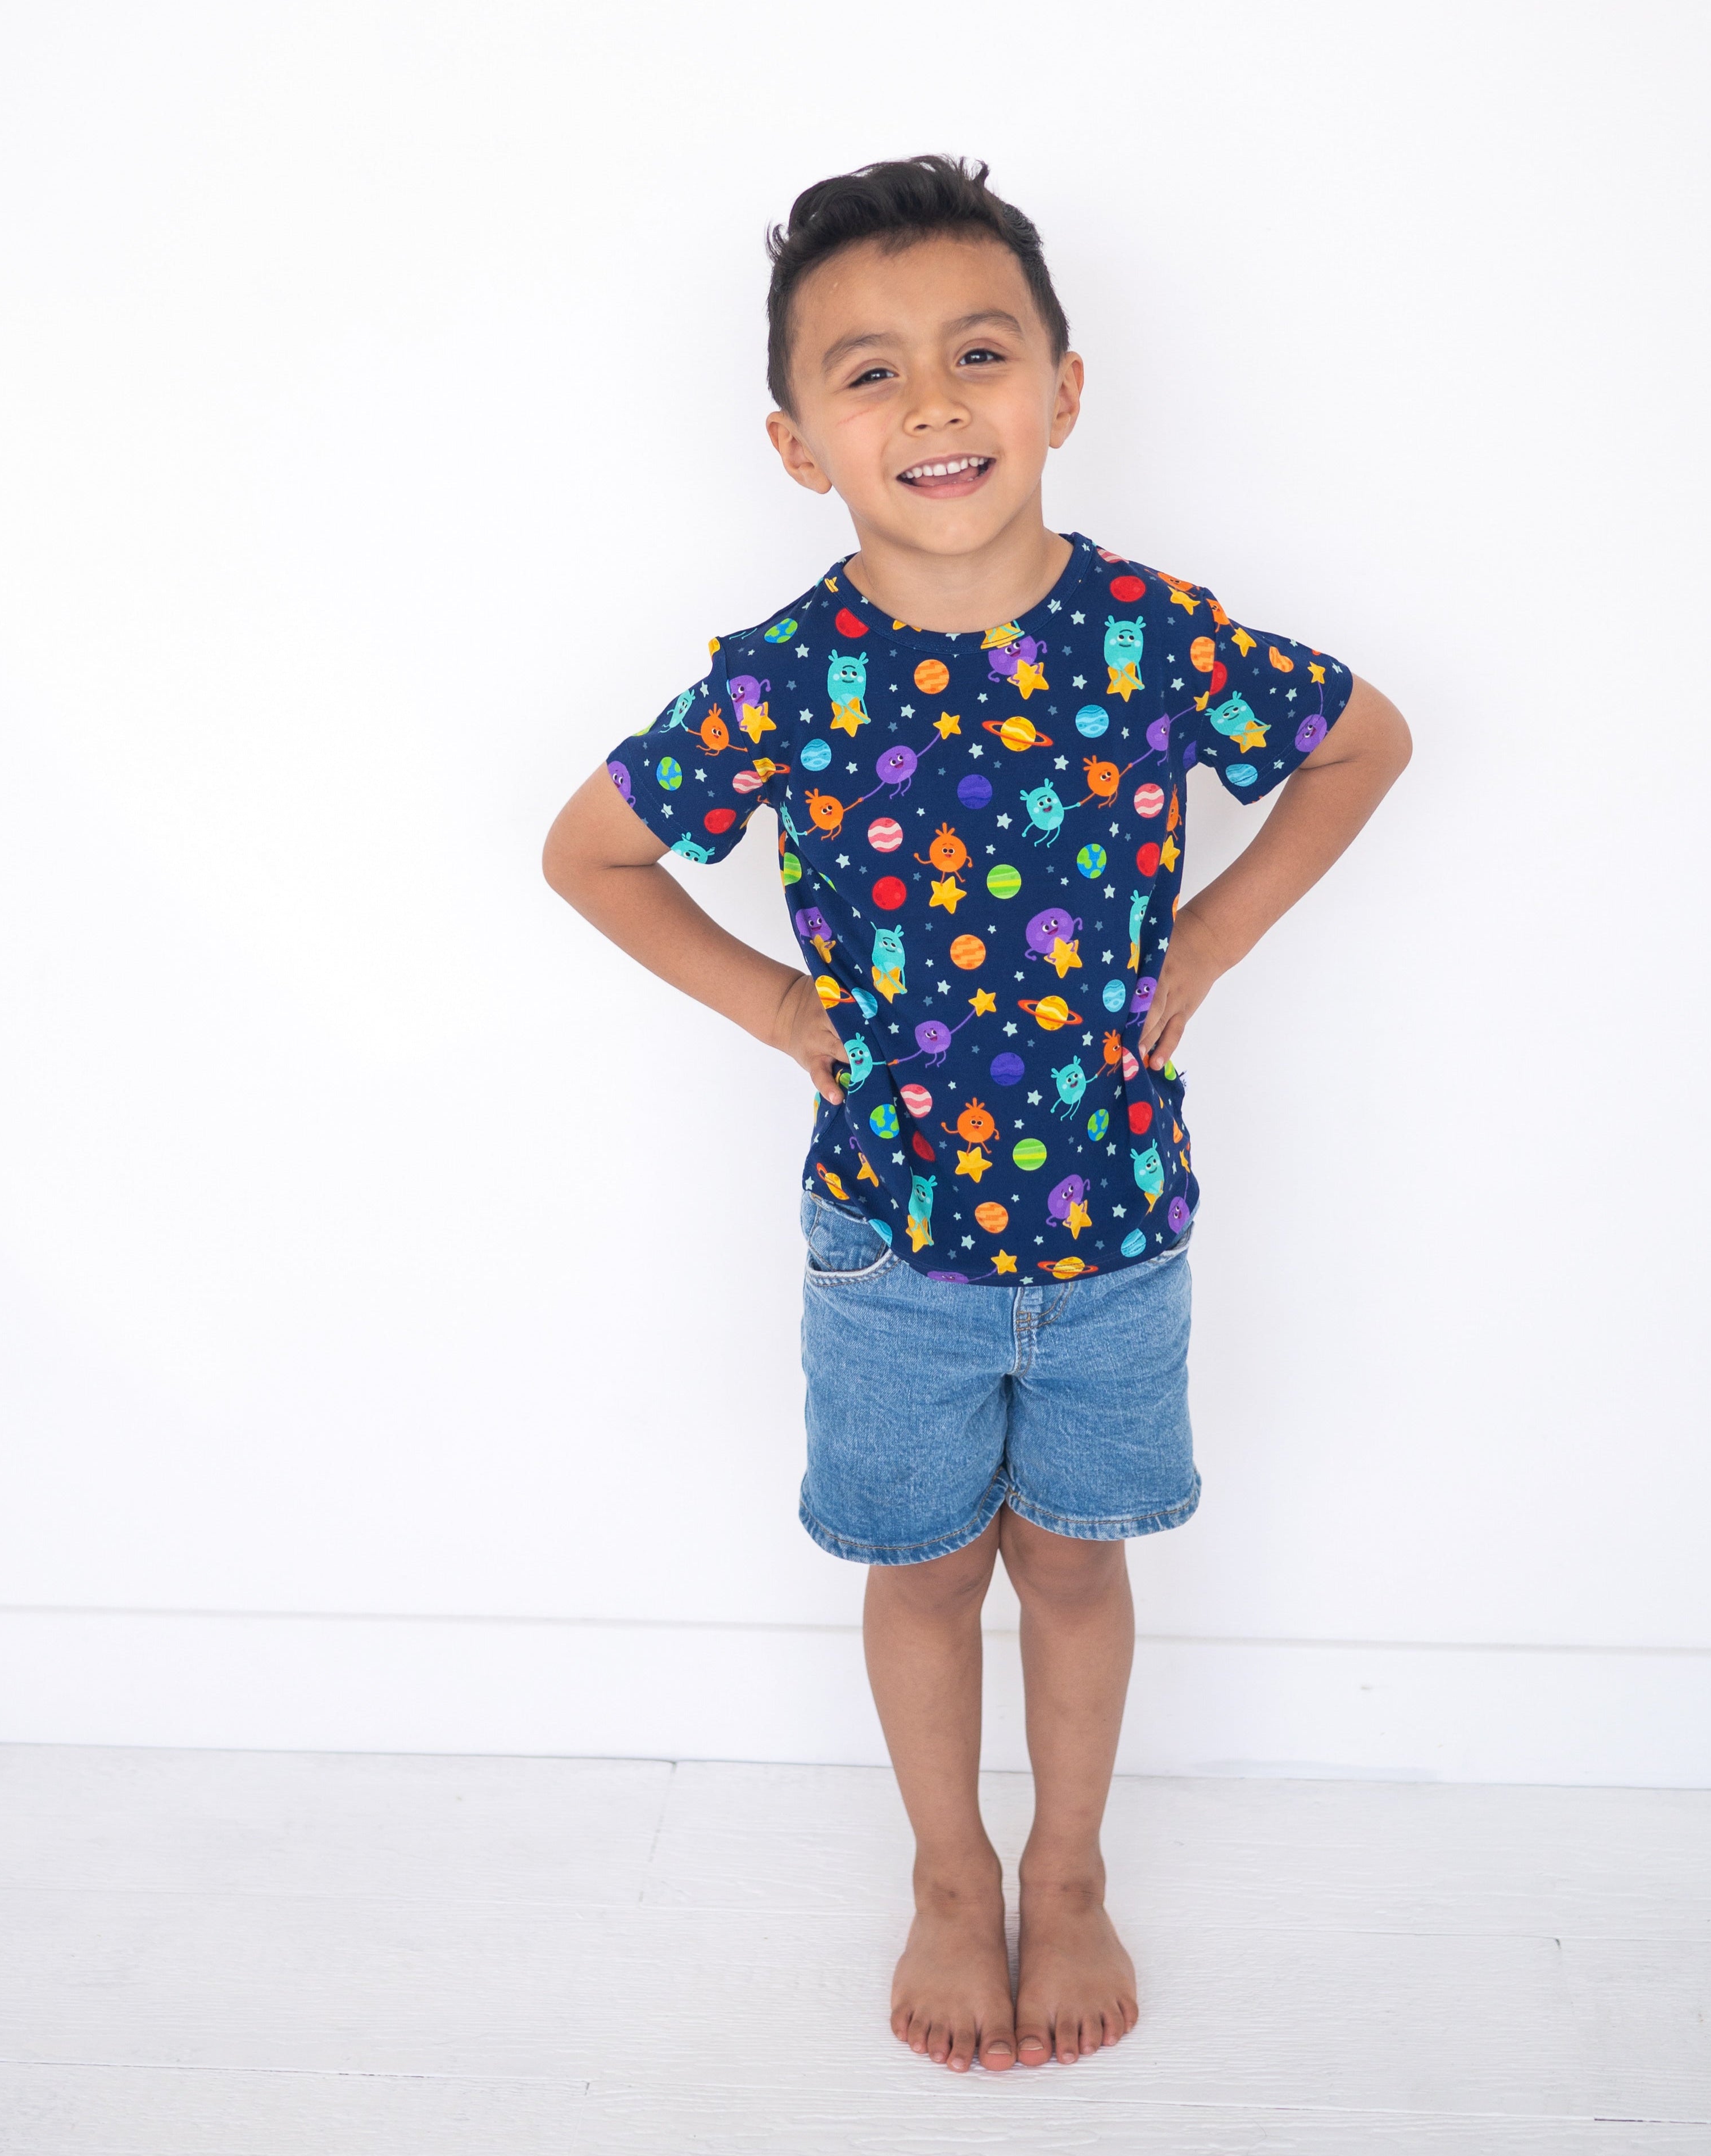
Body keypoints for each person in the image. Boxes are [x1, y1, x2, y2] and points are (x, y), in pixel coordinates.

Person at [542, 155, 1412, 2076]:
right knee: (926, 1568)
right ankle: (950, 1875)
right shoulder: (781, 680)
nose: (931, 401)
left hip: (1114, 1230)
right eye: (869, 372)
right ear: (798, 443)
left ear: (1062, 391)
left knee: (1076, 1560)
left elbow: (1362, 740)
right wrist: (782, 1006)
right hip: (891, 1241)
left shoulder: (1154, 638)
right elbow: (588, 852)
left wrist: (1205, 943)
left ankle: (1069, 1868)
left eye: (977, 352)